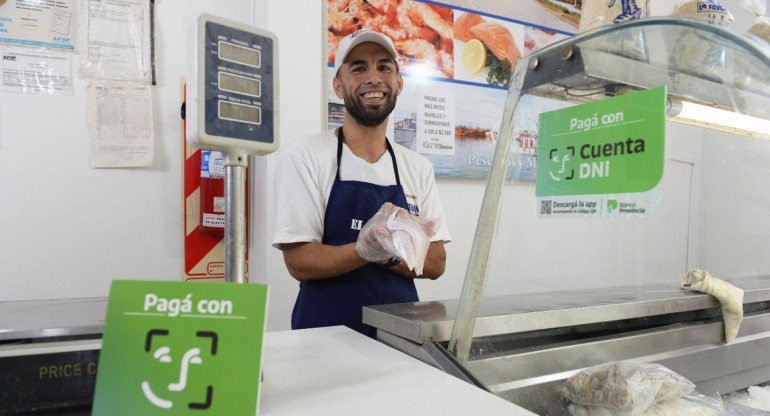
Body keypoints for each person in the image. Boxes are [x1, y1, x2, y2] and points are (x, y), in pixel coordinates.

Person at [271, 29, 451, 338]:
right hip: (322, 336)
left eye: (384, 67)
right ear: (338, 86)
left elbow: (435, 263)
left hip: (401, 338)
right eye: (358, 68)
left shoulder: (418, 167)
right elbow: (299, 260)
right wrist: (364, 248)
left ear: (398, 83)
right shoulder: (305, 155)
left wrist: (386, 253)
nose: (373, 77)